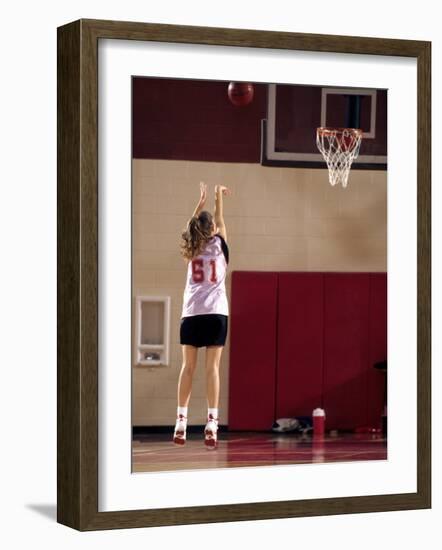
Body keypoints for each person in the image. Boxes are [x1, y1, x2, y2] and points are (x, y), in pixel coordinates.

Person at [173, 182, 231, 450]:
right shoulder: (220, 245)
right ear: (214, 230)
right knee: (212, 369)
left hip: (192, 314)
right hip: (216, 313)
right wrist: (218, 195)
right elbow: (219, 218)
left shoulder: (191, 248)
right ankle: (212, 423)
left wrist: (199, 202)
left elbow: (191, 226)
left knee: (188, 368)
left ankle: (181, 422)